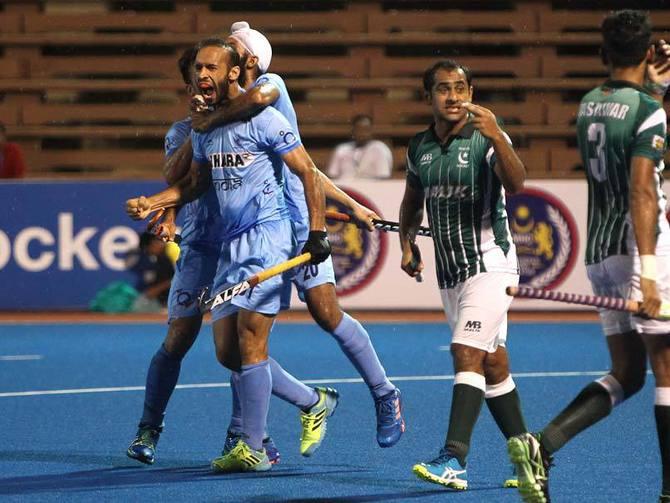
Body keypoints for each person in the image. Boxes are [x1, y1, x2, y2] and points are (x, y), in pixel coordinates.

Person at [126, 38, 338, 473]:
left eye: (210, 68)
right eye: (197, 69)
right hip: (220, 249)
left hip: (266, 236)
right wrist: (158, 202)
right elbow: (193, 183)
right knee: (227, 352)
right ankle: (313, 401)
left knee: (250, 338)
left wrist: (316, 231)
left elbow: (307, 172)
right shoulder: (199, 130)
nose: (201, 76)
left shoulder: (264, 115)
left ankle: (253, 444)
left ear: (235, 72)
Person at [191, 21, 405, 450]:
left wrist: (208, 116)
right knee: (239, 339)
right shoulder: (232, 114)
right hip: (258, 232)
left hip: (295, 227)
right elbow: (310, 166)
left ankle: (385, 394)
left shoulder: (269, 88)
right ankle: (268, 423)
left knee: (325, 314)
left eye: (230, 50)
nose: (220, 59)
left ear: (247, 62)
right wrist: (353, 205)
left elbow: (303, 169)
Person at [507, 11, 670, 503]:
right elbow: (642, 190)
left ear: (603, 54)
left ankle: (542, 443)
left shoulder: (589, 104)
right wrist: (649, 273)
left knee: (628, 373)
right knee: (666, 371)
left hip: (599, 255)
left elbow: (625, 128)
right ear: (646, 54)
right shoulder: (648, 110)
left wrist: (655, 91)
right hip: (640, 249)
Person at [399, 59, 529, 491]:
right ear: (428, 97)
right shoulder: (418, 146)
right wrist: (406, 243)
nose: (453, 97)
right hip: (451, 274)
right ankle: (529, 457)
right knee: (492, 363)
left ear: (471, 92)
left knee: (465, 351)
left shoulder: (486, 139)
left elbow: (518, 184)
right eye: (442, 89)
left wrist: (497, 136)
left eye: (460, 88)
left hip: (491, 264)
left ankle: (454, 459)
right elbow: (412, 201)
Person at [326, 114, 393, 180]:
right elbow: (332, 175)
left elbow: (383, 177)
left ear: (371, 131)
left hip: (370, 189)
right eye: (359, 129)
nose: (362, 133)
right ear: (353, 131)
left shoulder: (380, 149)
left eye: (366, 129)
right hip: (343, 188)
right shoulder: (341, 150)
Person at [131, 231, 174, 309]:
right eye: (157, 242)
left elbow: (173, 280)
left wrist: (157, 289)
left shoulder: (165, 260)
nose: (162, 245)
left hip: (163, 300)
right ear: (148, 245)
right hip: (146, 298)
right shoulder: (141, 260)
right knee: (138, 304)